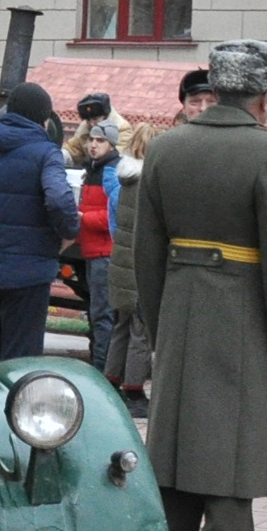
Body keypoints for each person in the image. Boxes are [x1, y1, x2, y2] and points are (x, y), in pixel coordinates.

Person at [130, 39, 267, 531]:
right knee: (236, 447)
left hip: (180, 302)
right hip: (244, 308)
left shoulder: (167, 146)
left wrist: (162, 324)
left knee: (179, 441)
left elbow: (146, 250)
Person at [0, 84, 78, 366]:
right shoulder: (46, 153)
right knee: (20, 361)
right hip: (28, 276)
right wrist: (68, 231)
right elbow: (59, 200)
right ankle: (9, 411)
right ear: (44, 120)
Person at [101, 121, 155, 408]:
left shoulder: (121, 183)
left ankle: (110, 380)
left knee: (120, 326)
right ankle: (134, 390)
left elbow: (114, 225)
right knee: (140, 330)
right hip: (139, 266)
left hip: (119, 261)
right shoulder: (150, 185)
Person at [70, 110, 122, 371]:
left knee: (102, 315)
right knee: (97, 313)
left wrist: (82, 217)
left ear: (111, 145)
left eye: (100, 141)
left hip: (104, 254)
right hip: (93, 252)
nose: (93, 145)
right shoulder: (91, 170)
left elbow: (115, 214)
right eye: (91, 139)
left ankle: (103, 372)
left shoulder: (112, 172)